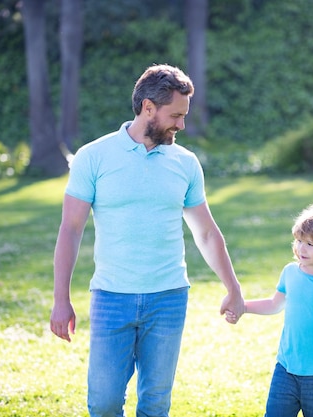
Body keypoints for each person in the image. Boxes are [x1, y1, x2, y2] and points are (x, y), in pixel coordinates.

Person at [49, 64, 245, 417]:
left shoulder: (185, 163)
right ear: (148, 107)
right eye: (176, 115)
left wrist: (233, 286)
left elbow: (205, 231)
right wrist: (60, 299)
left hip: (168, 298)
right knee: (104, 403)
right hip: (111, 297)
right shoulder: (93, 157)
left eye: (184, 116)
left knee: (156, 405)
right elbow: (71, 229)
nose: (181, 125)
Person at [227, 200, 313, 417]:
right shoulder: (290, 273)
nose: (301, 248)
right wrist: (243, 307)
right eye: (299, 240)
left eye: (310, 244)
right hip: (285, 370)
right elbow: (274, 304)